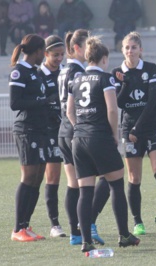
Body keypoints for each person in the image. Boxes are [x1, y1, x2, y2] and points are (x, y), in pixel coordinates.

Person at [66, 36, 140, 253]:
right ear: (104, 59)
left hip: (78, 139)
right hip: (100, 136)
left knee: (85, 190)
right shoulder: (106, 79)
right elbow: (112, 109)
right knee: (116, 184)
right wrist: (113, 133)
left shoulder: (76, 80)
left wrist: (80, 127)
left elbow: (69, 111)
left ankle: (85, 240)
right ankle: (124, 234)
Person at [112, 31, 156, 236]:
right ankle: (138, 222)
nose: (130, 51)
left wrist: (138, 128)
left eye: (134, 47)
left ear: (141, 50)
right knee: (134, 177)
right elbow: (119, 103)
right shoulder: (117, 72)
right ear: (122, 50)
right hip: (129, 130)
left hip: (152, 125)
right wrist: (125, 84)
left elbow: (152, 100)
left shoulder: (150, 69)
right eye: (127, 48)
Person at [58, 29, 109, 246]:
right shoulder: (79, 73)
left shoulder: (63, 70)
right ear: (77, 48)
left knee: (74, 185)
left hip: (64, 130)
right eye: (87, 45)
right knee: (108, 177)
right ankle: (89, 224)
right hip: (79, 131)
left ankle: (75, 233)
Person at [9, 34, 51, 242]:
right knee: (28, 176)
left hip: (40, 129)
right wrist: (41, 100)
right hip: (26, 129)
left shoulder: (35, 72)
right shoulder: (19, 72)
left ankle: (26, 224)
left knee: (38, 176)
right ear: (37, 51)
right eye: (43, 51)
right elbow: (15, 102)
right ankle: (18, 229)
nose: (44, 55)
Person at [37, 35, 66, 238]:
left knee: (77, 176)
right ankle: (55, 224)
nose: (59, 58)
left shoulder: (65, 73)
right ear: (45, 54)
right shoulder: (38, 75)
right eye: (55, 55)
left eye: (62, 55)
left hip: (69, 129)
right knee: (53, 176)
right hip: (49, 131)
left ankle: (82, 222)